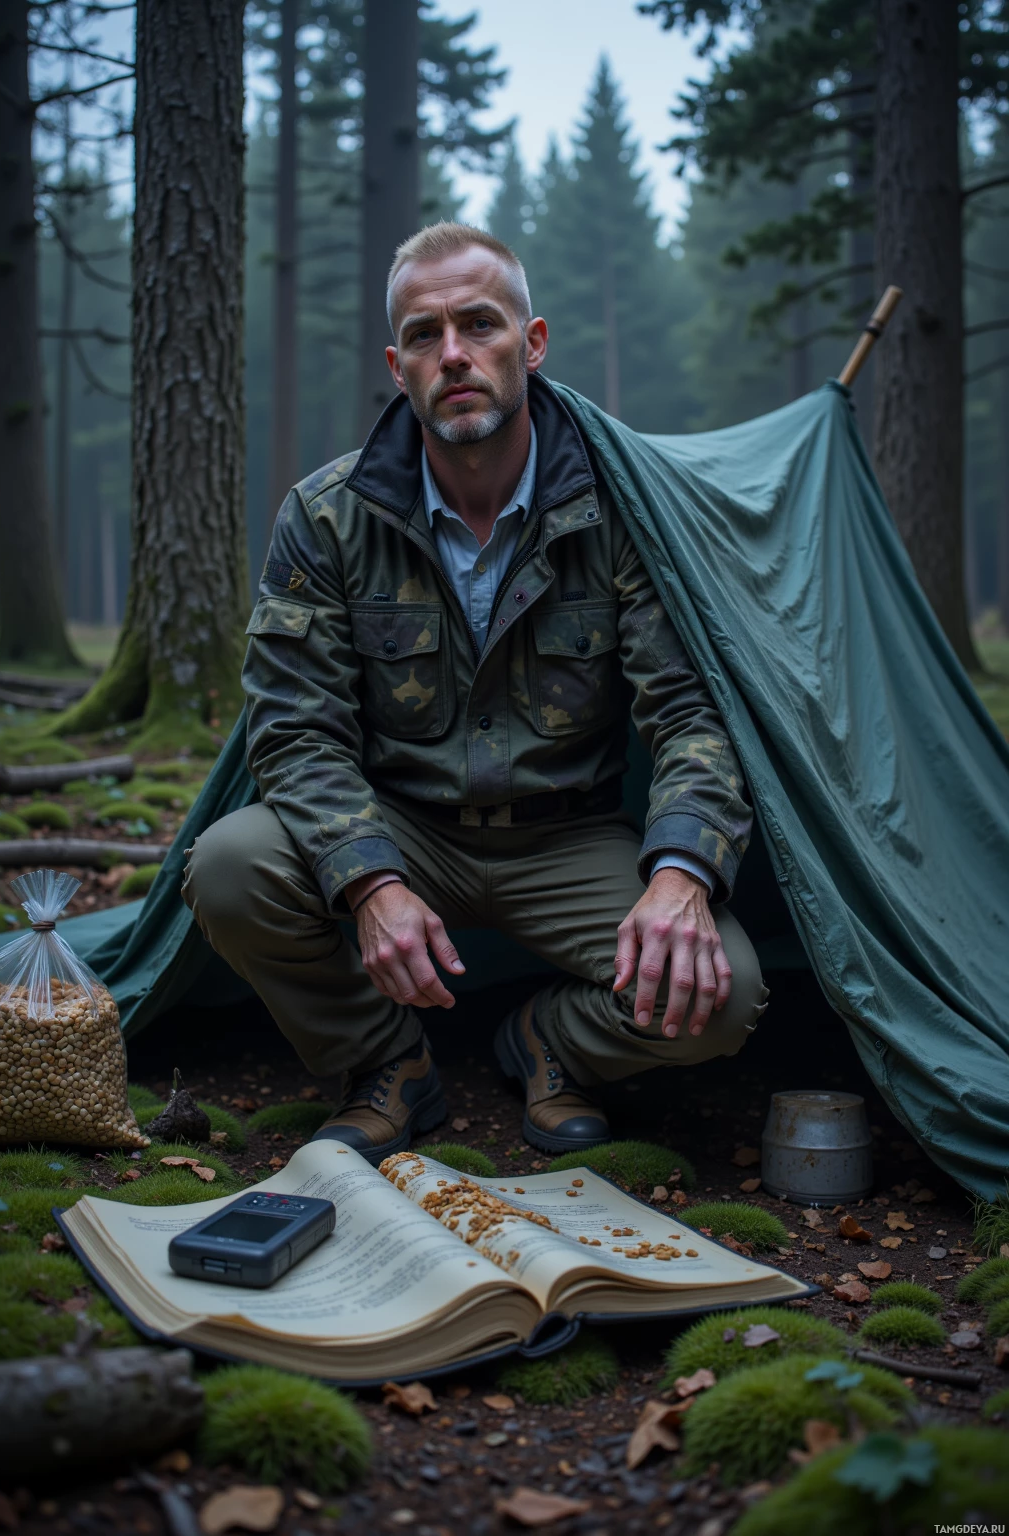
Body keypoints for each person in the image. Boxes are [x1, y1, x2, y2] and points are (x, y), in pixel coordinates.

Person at [183, 222, 768, 1166]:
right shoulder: (328, 518)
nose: (453, 353)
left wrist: (680, 876)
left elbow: (691, 713)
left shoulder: (620, 508)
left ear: (532, 345)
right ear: (397, 364)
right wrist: (369, 878)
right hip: (403, 828)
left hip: (570, 836)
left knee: (723, 993)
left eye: (480, 325)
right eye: (424, 334)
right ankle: (385, 1064)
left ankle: (550, 1044)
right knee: (230, 867)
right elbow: (295, 731)